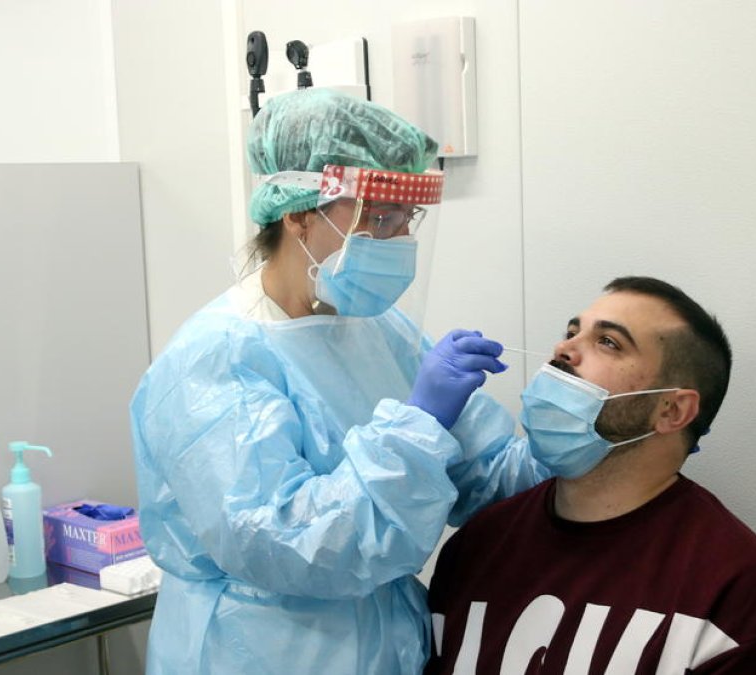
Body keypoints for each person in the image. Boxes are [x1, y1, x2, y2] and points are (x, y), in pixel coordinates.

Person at [129, 88, 510, 674]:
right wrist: (417, 426)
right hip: (259, 651)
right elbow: (286, 544)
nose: (398, 239)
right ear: (298, 210)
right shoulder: (215, 361)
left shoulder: (379, 328)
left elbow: (478, 473)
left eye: (407, 218)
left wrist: (570, 429)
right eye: (378, 217)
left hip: (385, 646)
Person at [424, 277, 756, 674]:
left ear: (671, 411)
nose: (563, 350)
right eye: (571, 333)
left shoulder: (734, 593)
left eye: (608, 342)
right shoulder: (479, 545)